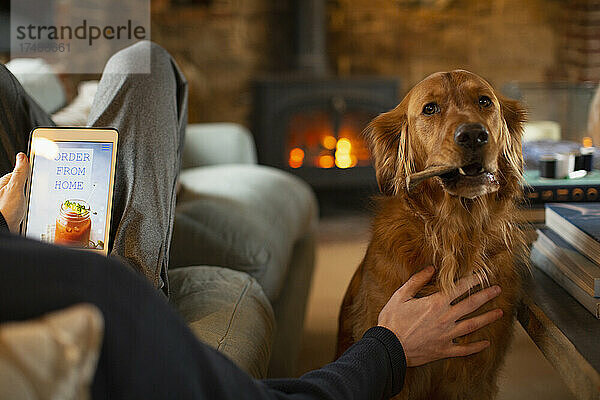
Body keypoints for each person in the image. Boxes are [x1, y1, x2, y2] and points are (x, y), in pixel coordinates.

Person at [0, 41, 504, 399]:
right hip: (97, 275)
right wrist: (387, 350)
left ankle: (137, 172)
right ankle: (144, 209)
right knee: (143, 63)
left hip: (22, 204)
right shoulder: (104, 329)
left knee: (140, 60)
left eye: (483, 107)